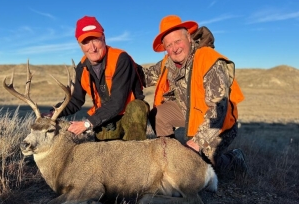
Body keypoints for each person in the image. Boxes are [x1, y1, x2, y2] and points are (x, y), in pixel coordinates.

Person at [143, 15, 248, 179]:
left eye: (177, 41)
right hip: (191, 115)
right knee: (159, 114)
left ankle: (234, 160)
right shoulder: (167, 63)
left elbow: (219, 109)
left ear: (189, 38)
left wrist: (196, 143)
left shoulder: (209, 59)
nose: (174, 48)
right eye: (169, 45)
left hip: (219, 124)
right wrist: (118, 64)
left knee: (198, 168)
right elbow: (143, 76)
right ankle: (169, 158)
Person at [48, 16, 148, 141]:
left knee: (137, 109)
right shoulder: (82, 68)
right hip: (107, 116)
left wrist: (87, 124)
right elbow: (75, 101)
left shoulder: (120, 59)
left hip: (129, 113)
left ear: (103, 38)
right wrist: (52, 112)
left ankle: (136, 153)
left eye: (95, 39)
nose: (92, 47)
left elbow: (117, 102)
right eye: (86, 42)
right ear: (80, 46)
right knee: (104, 152)